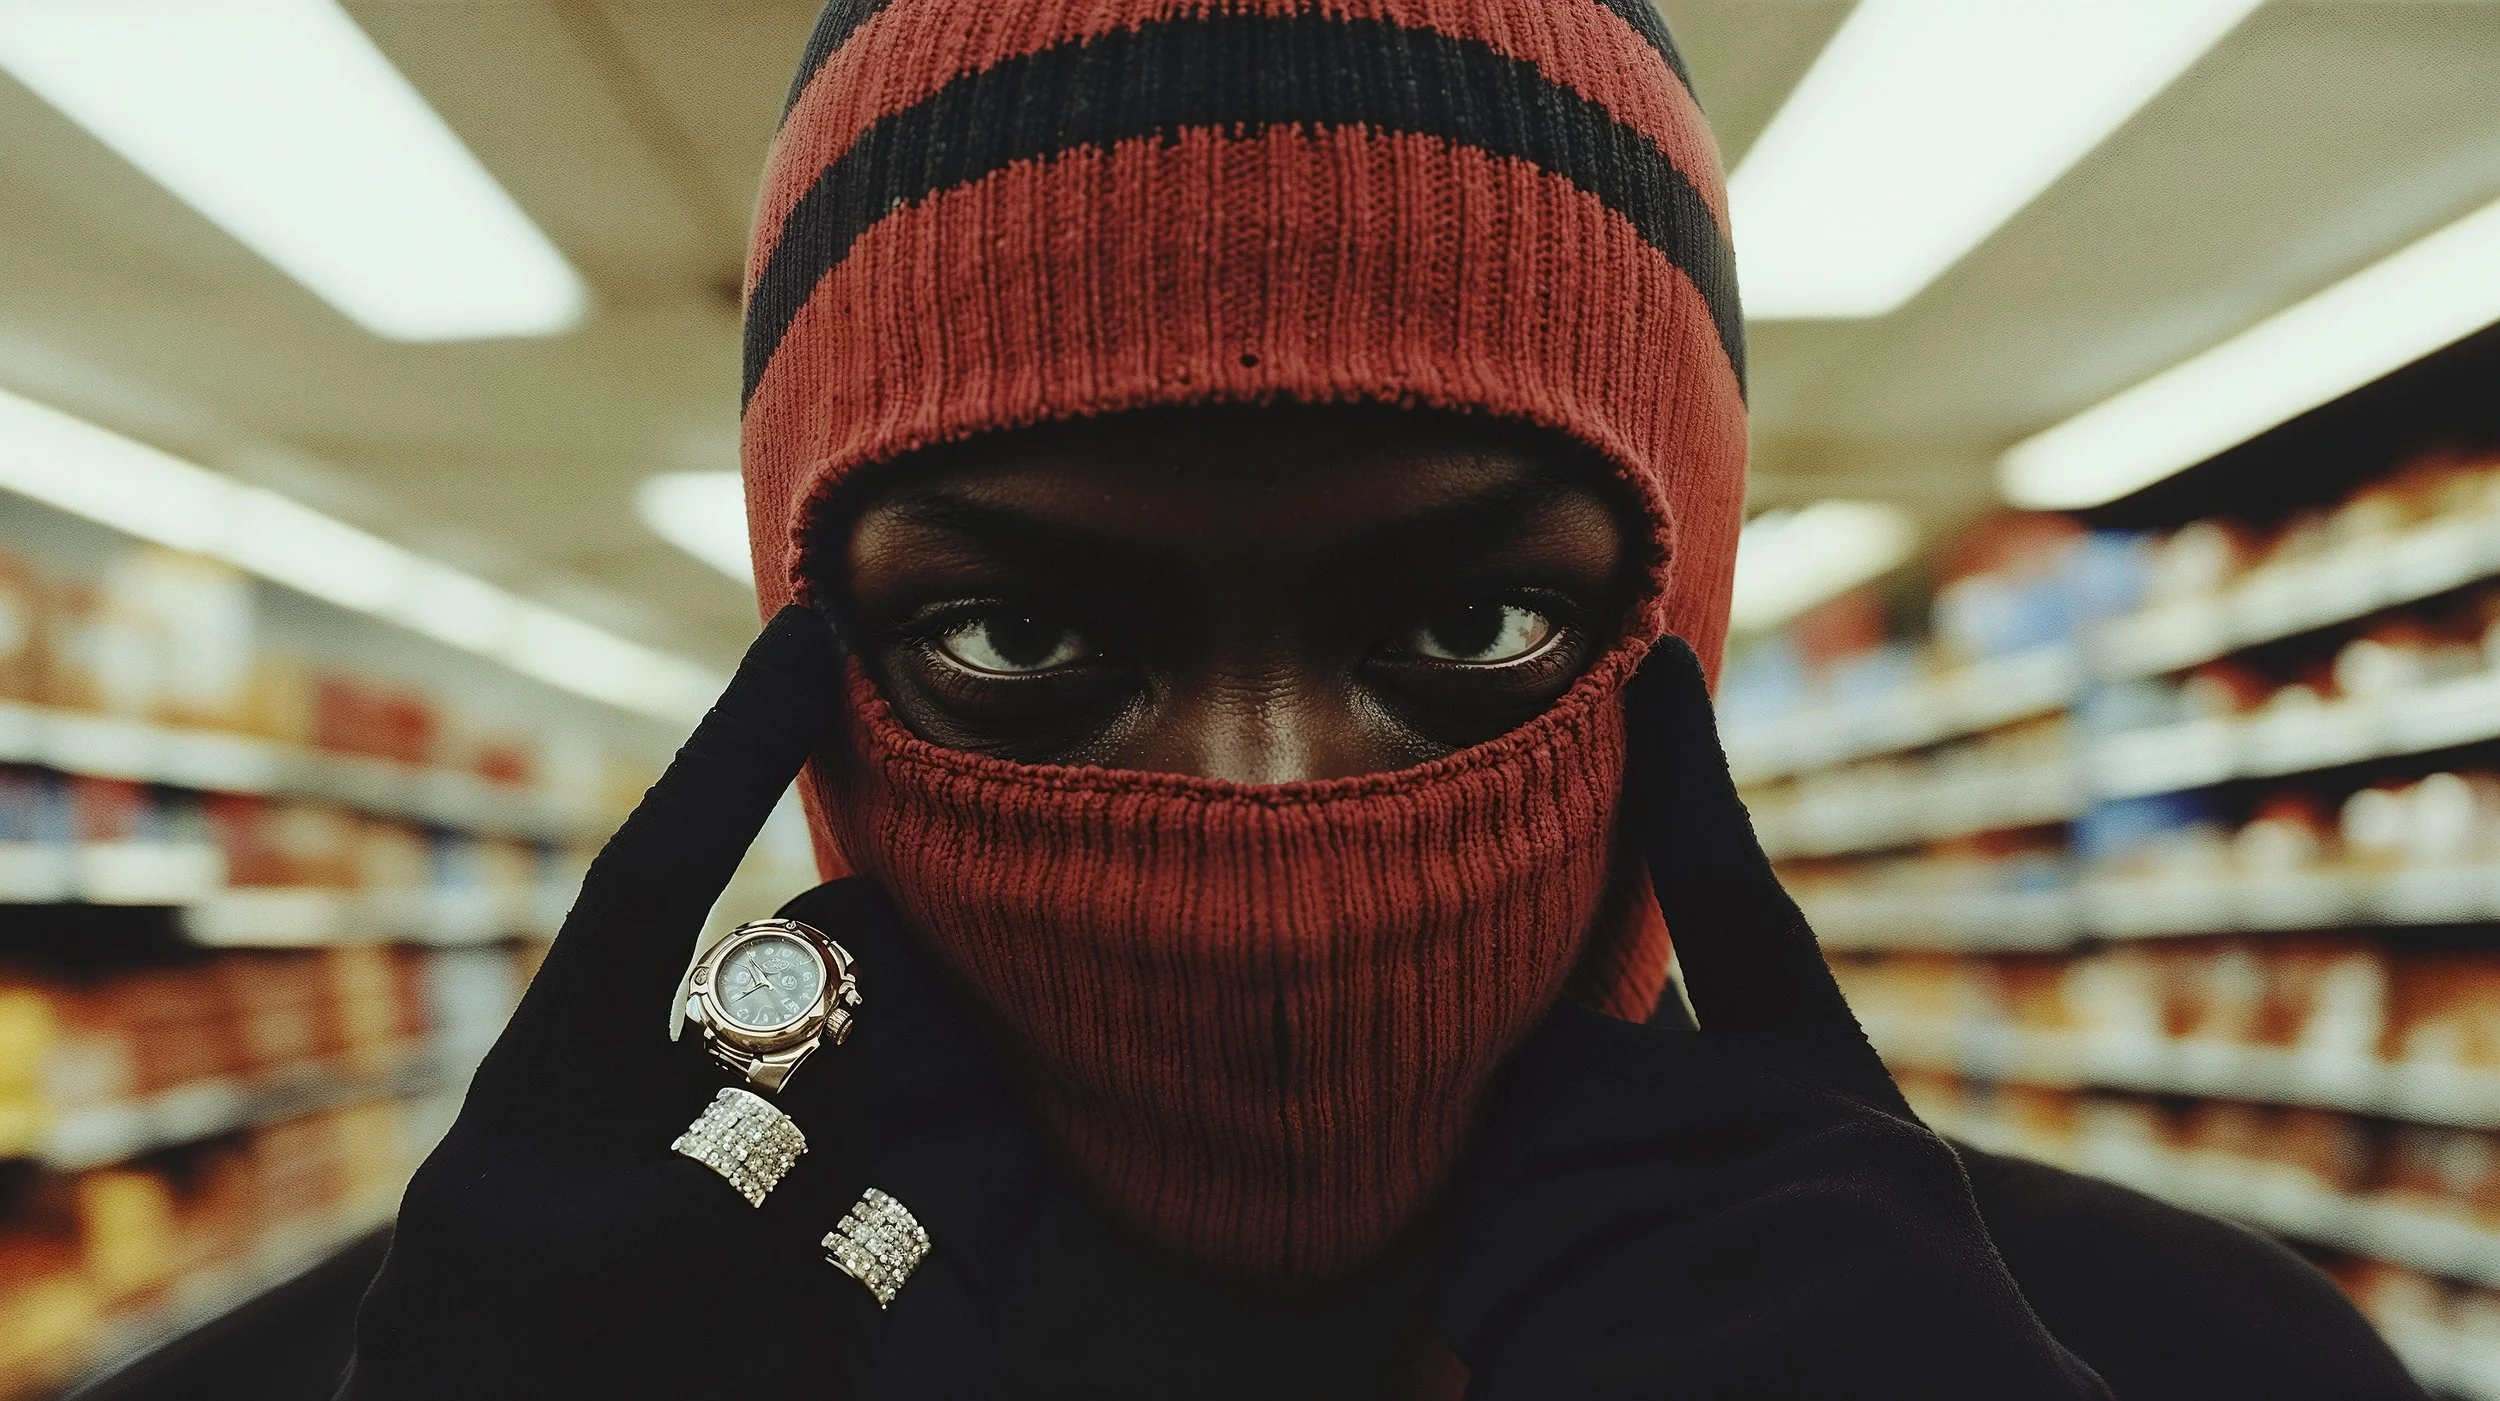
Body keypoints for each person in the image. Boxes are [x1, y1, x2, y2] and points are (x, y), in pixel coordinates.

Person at [340, 2, 2428, 1397]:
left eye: (1467, 627)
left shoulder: (2195, 1359)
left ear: (1677, 607)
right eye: (1019, 640)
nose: (1259, 815)